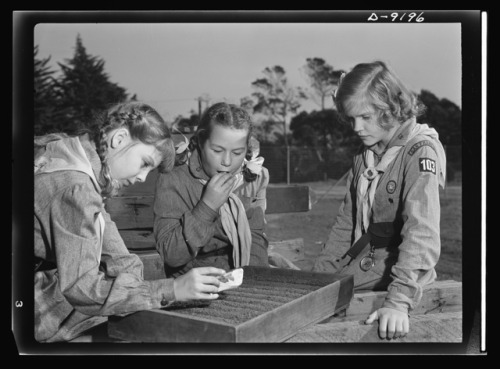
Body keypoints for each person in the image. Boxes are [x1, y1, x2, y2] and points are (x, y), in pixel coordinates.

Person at [34, 101, 226, 343]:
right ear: (119, 139)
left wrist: (150, 291)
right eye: (145, 163)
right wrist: (172, 290)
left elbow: (116, 253)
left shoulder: (74, 157)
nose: (142, 177)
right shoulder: (75, 187)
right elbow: (82, 289)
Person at [313, 61, 447, 340]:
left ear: (390, 109)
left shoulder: (420, 151)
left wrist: (398, 303)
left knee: (325, 313)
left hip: (402, 271)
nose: (357, 128)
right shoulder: (366, 155)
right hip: (366, 259)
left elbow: (421, 232)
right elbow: (345, 223)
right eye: (351, 119)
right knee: (312, 301)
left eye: (365, 117)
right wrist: (317, 280)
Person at [153, 102, 270, 278]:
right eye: (217, 150)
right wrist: (207, 207)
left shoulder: (248, 179)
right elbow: (171, 254)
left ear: (247, 149)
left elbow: (255, 240)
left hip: (241, 282)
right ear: (200, 141)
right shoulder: (174, 180)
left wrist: (255, 281)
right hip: (194, 288)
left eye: (237, 152)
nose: (227, 162)